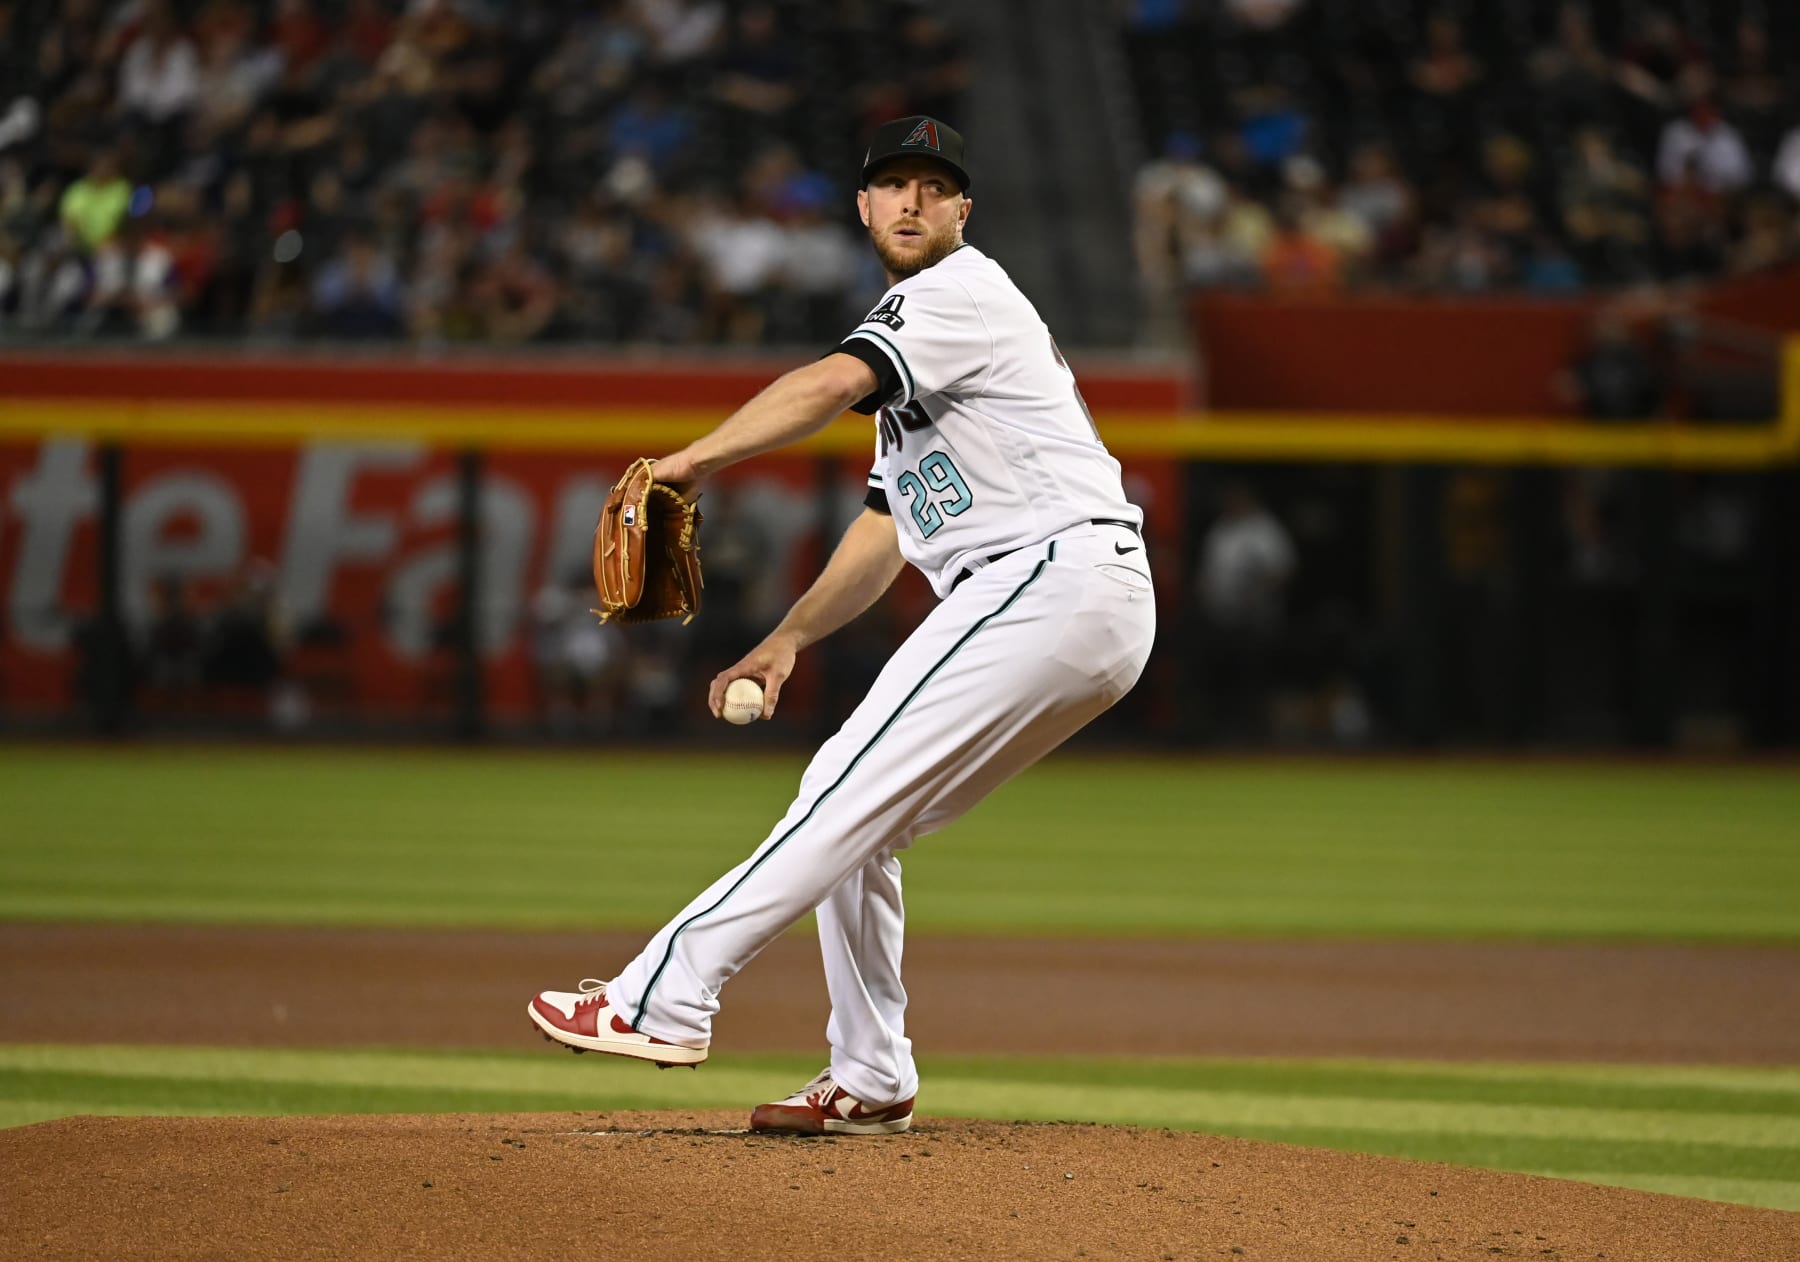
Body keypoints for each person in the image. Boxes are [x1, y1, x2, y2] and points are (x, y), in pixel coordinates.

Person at [528, 116, 1156, 1134]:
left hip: (1048, 577)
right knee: (864, 820)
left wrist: (689, 461)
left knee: (839, 789)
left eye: (933, 186)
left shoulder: (956, 294)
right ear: (863, 205)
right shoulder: (927, 338)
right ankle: (872, 1071)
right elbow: (883, 528)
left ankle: (662, 996)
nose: (912, 202)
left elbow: (826, 384)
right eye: (893, 185)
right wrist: (785, 640)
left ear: (962, 209)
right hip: (1078, 601)